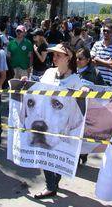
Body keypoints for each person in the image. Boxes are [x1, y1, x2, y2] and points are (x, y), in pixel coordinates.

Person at [30, 43, 86, 199]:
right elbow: (37, 88)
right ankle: (51, 185)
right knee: (44, 154)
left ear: (68, 58)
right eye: (53, 55)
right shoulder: (48, 72)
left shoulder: (75, 79)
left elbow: (80, 101)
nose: (54, 58)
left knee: (60, 155)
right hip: (44, 123)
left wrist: (83, 92)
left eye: (58, 55)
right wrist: (25, 82)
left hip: (63, 127)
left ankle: (54, 183)